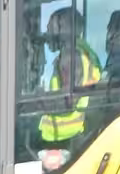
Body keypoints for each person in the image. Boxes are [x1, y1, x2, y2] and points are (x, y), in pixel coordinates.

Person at [39, 7, 103, 154]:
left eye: (50, 29)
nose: (47, 35)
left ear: (62, 29)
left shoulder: (70, 56)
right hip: (74, 133)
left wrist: (38, 101)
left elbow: (68, 101)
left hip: (64, 138)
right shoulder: (86, 52)